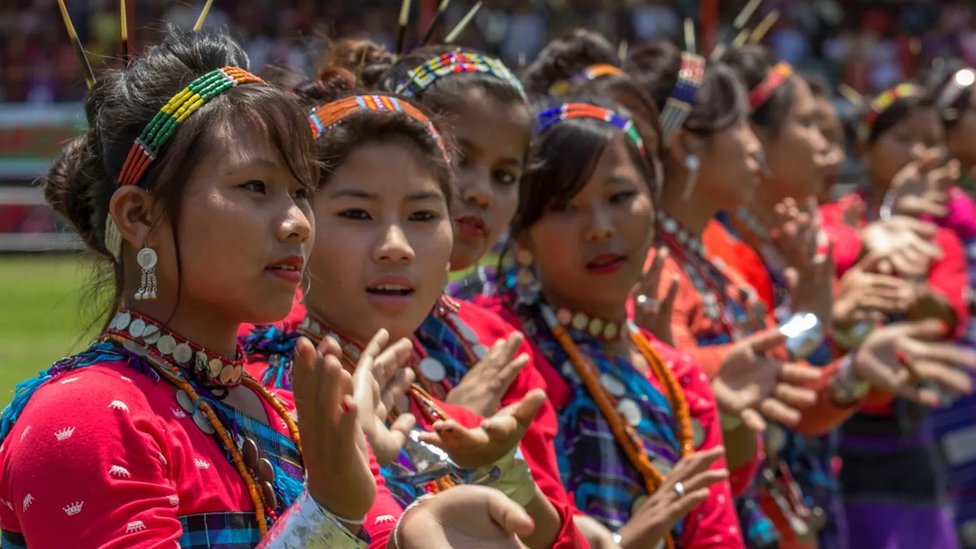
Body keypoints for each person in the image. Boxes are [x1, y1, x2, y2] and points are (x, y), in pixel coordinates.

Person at [0, 27, 532, 549]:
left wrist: (421, 529)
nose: (298, 223)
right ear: (140, 215)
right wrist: (328, 513)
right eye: (255, 186)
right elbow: (334, 517)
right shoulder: (85, 418)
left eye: (301, 191)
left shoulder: (292, 411)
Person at [244, 67, 586, 548]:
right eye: (357, 214)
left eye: (423, 215)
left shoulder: (458, 412)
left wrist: (508, 480)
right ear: (299, 229)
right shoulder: (265, 397)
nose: (396, 247)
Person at [478, 96, 744, 548]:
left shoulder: (677, 378)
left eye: (620, 197)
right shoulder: (495, 352)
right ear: (522, 235)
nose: (599, 227)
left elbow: (715, 536)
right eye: (565, 207)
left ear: (653, 204)